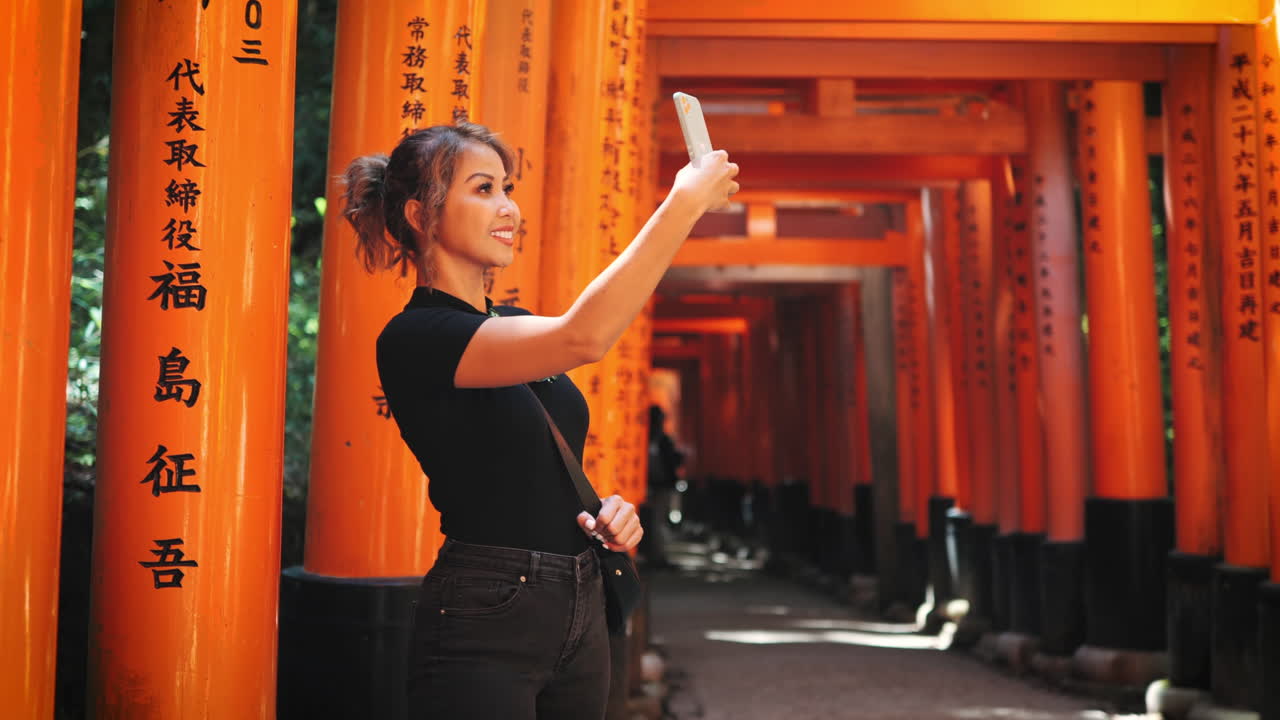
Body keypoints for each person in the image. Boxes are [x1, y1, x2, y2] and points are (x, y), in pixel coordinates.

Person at [341, 122, 738, 719]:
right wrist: (682, 204)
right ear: (421, 216)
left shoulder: (514, 323)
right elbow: (584, 335)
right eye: (483, 189)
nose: (508, 207)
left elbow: (532, 461)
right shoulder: (417, 336)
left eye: (507, 186)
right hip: (486, 608)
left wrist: (608, 513)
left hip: (580, 591)